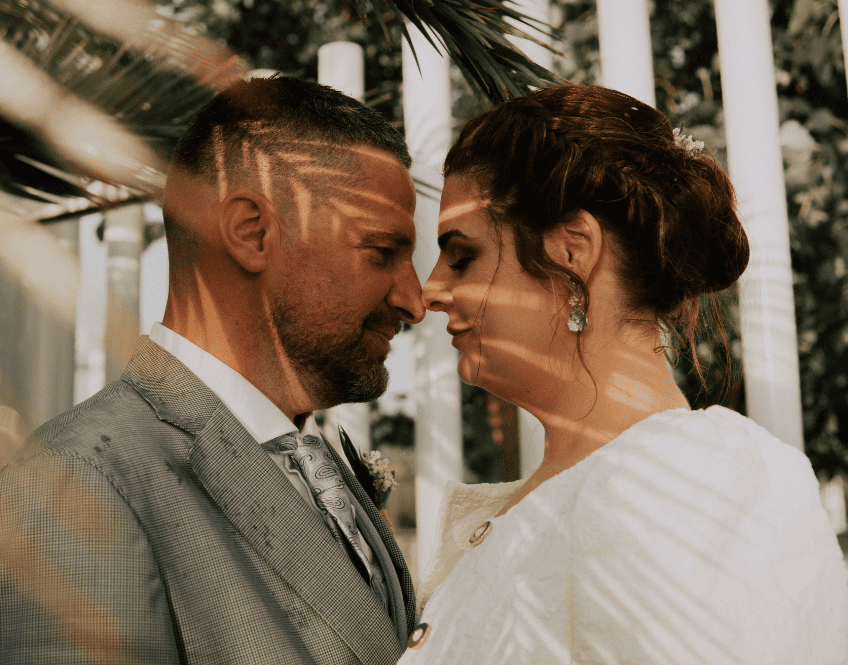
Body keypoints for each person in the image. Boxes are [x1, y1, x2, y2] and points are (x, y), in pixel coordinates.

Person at [400, 85, 848, 664]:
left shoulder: (687, 483)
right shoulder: (559, 496)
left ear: (572, 250)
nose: (430, 291)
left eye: (462, 256)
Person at [0, 76, 424, 665]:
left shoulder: (313, 458)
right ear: (252, 233)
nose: (415, 301)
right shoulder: (81, 476)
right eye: (382, 253)